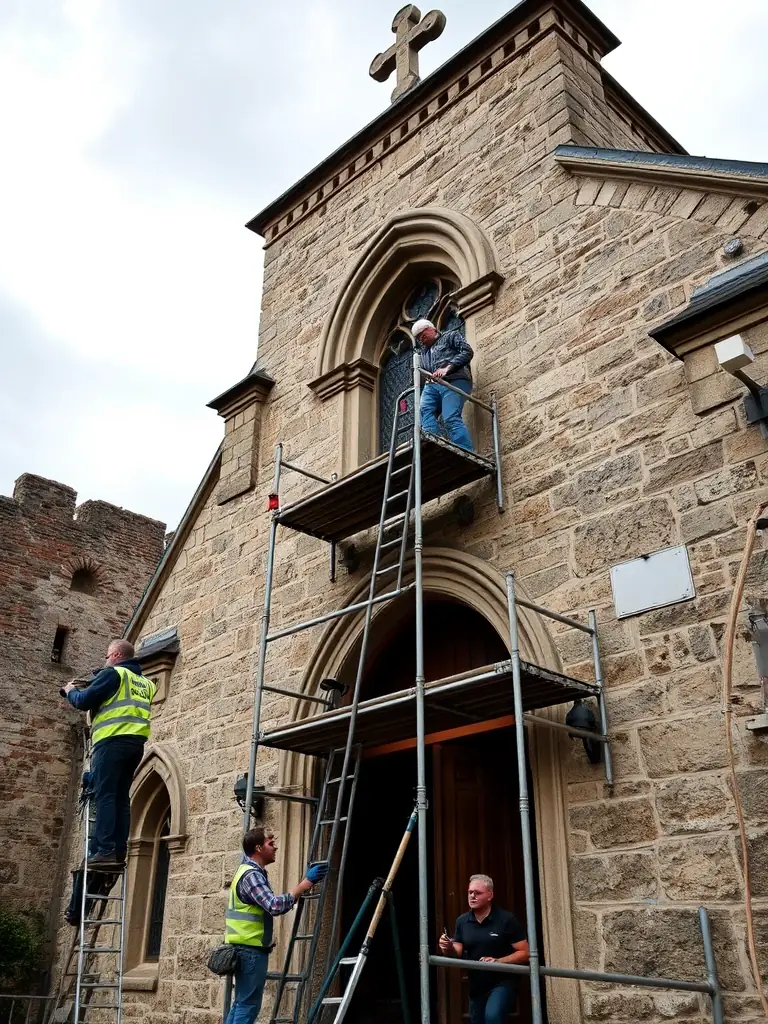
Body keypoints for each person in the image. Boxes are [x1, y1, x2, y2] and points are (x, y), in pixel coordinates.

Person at [61, 639, 155, 871]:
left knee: (105, 795)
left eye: (107, 656)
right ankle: (118, 850)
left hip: (111, 742)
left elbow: (84, 702)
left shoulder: (114, 674)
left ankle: (104, 850)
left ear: (114, 655)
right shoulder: (145, 683)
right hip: (135, 744)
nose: (106, 660)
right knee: (121, 797)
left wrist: (71, 691)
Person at [224, 827, 329, 1024]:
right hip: (250, 950)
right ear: (258, 848)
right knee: (247, 1006)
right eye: (270, 843)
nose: (276, 847)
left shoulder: (247, 872)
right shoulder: (251, 875)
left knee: (241, 1003)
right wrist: (305, 883)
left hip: (245, 948)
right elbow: (274, 905)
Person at [438, 873, 529, 1024]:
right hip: (477, 983)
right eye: (470, 892)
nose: (472, 896)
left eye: (477, 893)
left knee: (493, 1017)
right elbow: (457, 952)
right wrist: (447, 946)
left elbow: (525, 953)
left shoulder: (506, 919)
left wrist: (498, 961)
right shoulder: (462, 921)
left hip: (503, 981)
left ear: (490, 895)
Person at [411, 317, 474, 451]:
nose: (421, 339)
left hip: (455, 380)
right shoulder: (424, 353)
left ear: (432, 329)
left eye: (423, 335)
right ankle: (431, 440)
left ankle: (465, 450)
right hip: (433, 385)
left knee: (450, 418)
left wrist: (448, 368)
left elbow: (467, 351)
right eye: (418, 338)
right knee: (424, 409)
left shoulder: (451, 336)